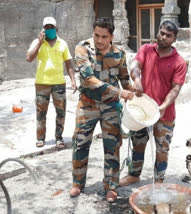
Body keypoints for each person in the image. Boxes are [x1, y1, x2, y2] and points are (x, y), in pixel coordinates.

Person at [69, 17, 134, 202]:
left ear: (111, 36)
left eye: (104, 36)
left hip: (111, 107)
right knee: (80, 144)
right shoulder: (82, 49)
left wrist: (133, 89)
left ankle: (111, 187)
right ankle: (77, 183)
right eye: (96, 35)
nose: (99, 40)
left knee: (112, 146)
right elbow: (88, 79)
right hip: (87, 104)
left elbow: (124, 79)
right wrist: (120, 92)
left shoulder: (120, 54)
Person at [119, 20, 187, 186]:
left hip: (165, 114)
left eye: (168, 35)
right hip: (142, 109)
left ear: (174, 39)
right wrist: (137, 79)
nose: (163, 37)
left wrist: (163, 105)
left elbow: (175, 89)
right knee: (138, 144)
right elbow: (135, 64)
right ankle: (134, 175)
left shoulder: (179, 62)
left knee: (162, 149)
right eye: (161, 33)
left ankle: (159, 180)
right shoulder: (146, 49)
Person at [26, 17, 77, 148]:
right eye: (47, 27)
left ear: (56, 28)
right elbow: (29, 58)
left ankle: (59, 137)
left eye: (51, 27)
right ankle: (40, 138)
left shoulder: (63, 43)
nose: (49, 29)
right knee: (41, 112)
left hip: (59, 83)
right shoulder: (37, 42)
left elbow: (68, 63)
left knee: (61, 112)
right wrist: (39, 42)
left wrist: (73, 80)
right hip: (42, 83)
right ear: (43, 29)